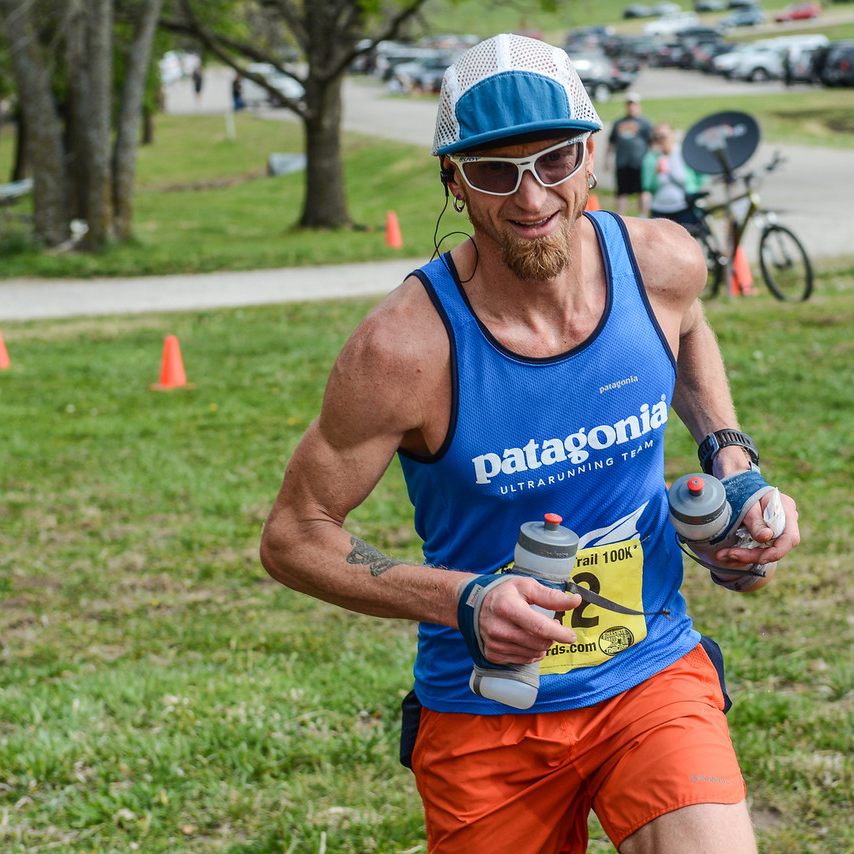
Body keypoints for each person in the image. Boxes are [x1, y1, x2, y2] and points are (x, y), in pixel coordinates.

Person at [260, 34, 800, 854]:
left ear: (590, 157)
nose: (530, 196)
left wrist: (731, 459)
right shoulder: (404, 350)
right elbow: (294, 537)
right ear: (454, 182)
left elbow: (687, 331)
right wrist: (465, 601)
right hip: (488, 707)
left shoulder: (662, 262)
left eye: (553, 161)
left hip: (648, 670)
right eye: (494, 171)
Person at [642, 122, 706, 226]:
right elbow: (647, 186)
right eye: (656, 137)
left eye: (663, 136)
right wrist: (656, 174)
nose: (660, 140)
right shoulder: (651, 158)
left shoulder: (685, 154)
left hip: (684, 207)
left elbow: (701, 176)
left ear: (673, 136)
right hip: (660, 209)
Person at [606, 91, 654, 217]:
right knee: (622, 192)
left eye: (634, 104)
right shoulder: (619, 123)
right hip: (622, 162)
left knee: (643, 190)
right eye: (629, 104)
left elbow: (652, 142)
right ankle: (621, 217)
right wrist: (607, 159)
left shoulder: (645, 123)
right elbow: (611, 142)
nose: (631, 107)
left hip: (640, 163)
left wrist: (652, 160)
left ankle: (643, 216)